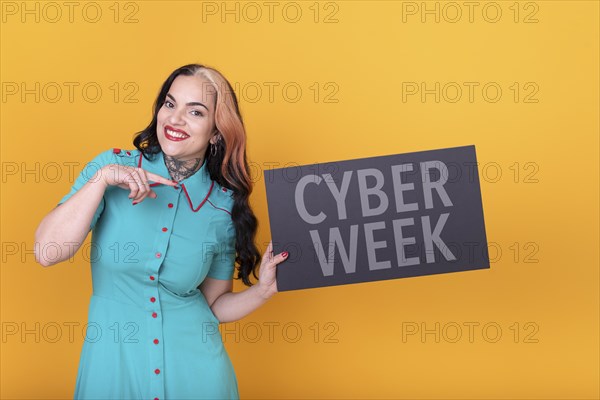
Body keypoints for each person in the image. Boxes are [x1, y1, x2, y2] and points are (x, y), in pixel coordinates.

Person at [34, 63, 289, 400]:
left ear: (216, 131)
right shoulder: (111, 168)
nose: (175, 119)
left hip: (197, 377)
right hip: (113, 370)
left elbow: (213, 305)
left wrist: (263, 291)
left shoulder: (223, 206)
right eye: (170, 104)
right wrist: (103, 179)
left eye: (195, 112)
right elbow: (47, 252)